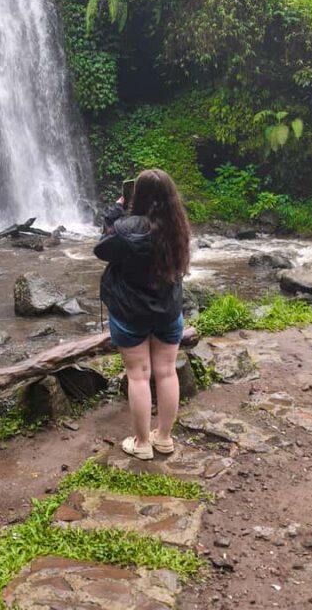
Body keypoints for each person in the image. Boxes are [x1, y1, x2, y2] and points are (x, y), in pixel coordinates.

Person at [94, 168, 191, 460]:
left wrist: (114, 216)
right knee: (166, 372)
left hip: (130, 313)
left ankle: (140, 443)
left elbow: (102, 250)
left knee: (138, 376)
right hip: (167, 311)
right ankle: (163, 438)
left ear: (138, 195)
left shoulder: (127, 228)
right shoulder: (179, 227)